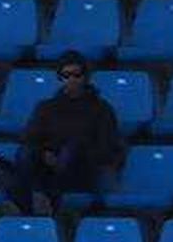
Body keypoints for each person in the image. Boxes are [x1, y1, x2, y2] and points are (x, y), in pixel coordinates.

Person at [11, 51, 122, 215]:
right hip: (46, 166)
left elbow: (107, 146)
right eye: (66, 75)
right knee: (26, 153)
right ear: (60, 78)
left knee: (71, 150)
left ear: (85, 77)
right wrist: (44, 153)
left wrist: (75, 153)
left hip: (82, 167)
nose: (72, 80)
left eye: (77, 75)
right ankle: (27, 201)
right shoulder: (46, 107)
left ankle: (41, 201)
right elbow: (30, 137)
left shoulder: (101, 109)